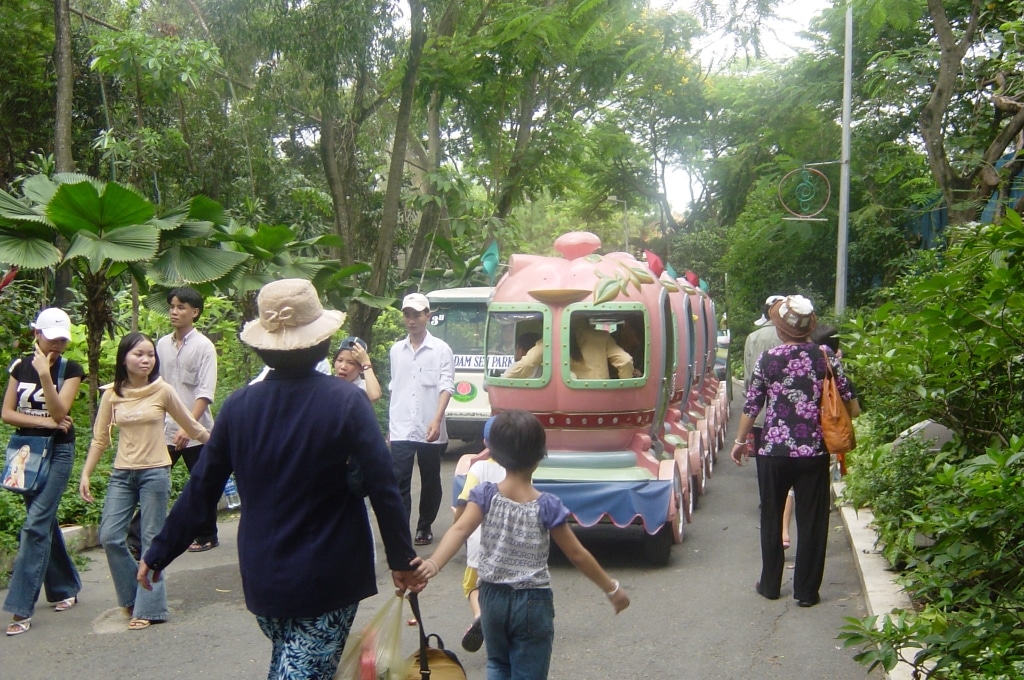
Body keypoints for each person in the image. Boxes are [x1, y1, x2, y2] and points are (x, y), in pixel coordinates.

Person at [137, 279, 423, 678]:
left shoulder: (238, 407)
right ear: (322, 343)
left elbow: (202, 487)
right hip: (331, 575)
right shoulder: (346, 402)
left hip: (265, 577)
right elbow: (384, 485)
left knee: (290, 662)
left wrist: (159, 551)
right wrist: (402, 559)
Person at [412, 409, 629, 679]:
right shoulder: (547, 505)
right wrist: (611, 588)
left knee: (498, 665)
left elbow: (459, 530)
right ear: (540, 456)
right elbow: (577, 554)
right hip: (531, 600)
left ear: (496, 455)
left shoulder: (485, 495)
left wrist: (434, 563)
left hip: (491, 596)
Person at [730, 296, 860, 607]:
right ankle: (806, 591)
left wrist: (739, 441)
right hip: (814, 451)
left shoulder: (769, 359)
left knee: (773, 517)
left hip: (773, 450)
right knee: (812, 521)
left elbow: (752, 405)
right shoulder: (825, 355)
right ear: (809, 328)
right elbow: (852, 404)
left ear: (778, 327)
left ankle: (771, 584)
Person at [79, 332, 210, 631]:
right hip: (122, 474)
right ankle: (130, 597)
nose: (146, 360)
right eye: (139, 354)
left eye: (150, 354)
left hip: (155, 472)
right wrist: (85, 473)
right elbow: (100, 439)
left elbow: (192, 426)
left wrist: (222, 449)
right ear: (124, 357)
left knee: (151, 541)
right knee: (110, 536)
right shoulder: (112, 393)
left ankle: (150, 609)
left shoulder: (162, 390)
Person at [3, 308, 85, 636]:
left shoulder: (71, 369)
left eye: (63, 338)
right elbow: (7, 414)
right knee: (44, 522)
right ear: (37, 334)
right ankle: (65, 588)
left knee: (34, 526)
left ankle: (20, 608)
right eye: (52, 338)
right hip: (25, 453)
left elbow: (60, 411)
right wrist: (43, 422)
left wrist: (47, 375)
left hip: (59, 452)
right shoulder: (18, 366)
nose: (58, 344)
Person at [127, 287, 219, 557]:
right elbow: (155, 382)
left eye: (181, 307)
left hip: (196, 429)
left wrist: (187, 427)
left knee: (202, 482)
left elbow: (205, 393)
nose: (175, 312)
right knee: (153, 479)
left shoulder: (204, 347)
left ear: (195, 312)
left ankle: (206, 535)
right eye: (172, 306)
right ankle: (135, 540)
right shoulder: (162, 345)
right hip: (164, 428)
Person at [388, 292, 455, 546]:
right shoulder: (397, 350)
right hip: (402, 425)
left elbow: (446, 386)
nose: (411, 320)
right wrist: (390, 428)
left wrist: (437, 420)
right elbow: (396, 387)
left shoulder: (441, 350)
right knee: (399, 479)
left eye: (416, 315)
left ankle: (424, 525)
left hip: (429, 424)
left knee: (430, 478)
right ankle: (401, 530)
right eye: (407, 315)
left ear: (428, 316)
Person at [456, 415, 506, 652]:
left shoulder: (478, 467)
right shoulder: (517, 472)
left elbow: (464, 502)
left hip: (478, 539)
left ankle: (479, 615)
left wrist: (457, 522)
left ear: (485, 443)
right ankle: (505, 625)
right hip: (506, 543)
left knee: (472, 586)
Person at [743, 295, 785, 453]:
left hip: (759, 411)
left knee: (763, 456)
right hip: (786, 410)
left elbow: (748, 375)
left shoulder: (753, 338)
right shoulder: (792, 338)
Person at [568, 317, 633, 380]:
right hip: (602, 388)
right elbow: (626, 361)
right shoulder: (602, 336)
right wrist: (626, 387)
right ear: (586, 319)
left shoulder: (562, 338)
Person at [333, 335, 382, 401]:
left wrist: (366, 363)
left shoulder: (363, 388)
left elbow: (374, 396)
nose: (343, 367)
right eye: (339, 360)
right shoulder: (327, 384)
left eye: (351, 363)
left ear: (361, 368)